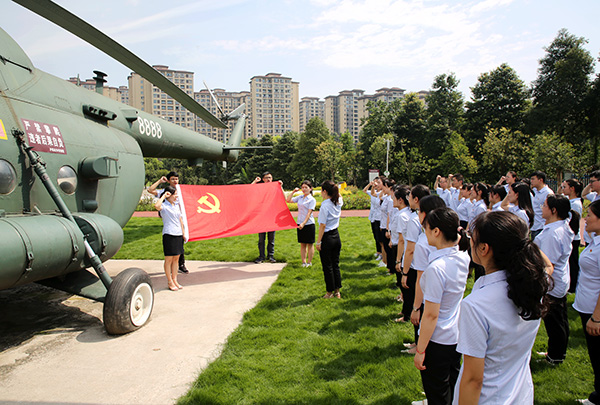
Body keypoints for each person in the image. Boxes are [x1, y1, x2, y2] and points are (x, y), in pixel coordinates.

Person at [453, 211, 550, 404]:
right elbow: (547, 266)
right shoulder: (534, 284)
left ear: (484, 248)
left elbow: (473, 379)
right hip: (520, 395)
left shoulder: (476, 305)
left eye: (472, 238)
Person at [413, 207, 470, 404]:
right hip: (455, 335)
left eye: (426, 228)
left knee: (437, 392)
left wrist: (420, 350)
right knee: (450, 385)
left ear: (436, 232)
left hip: (438, 339)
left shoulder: (438, 268)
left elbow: (430, 315)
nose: (425, 233)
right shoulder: (463, 256)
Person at [533, 194, 574, 364]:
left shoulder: (553, 234)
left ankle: (556, 356)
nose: (542, 208)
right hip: (560, 281)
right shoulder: (561, 227)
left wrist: (539, 288)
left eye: (544, 205)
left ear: (553, 210)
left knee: (555, 322)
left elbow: (549, 265)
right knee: (560, 319)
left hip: (552, 284)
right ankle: (557, 352)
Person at [575, 200, 600, 405]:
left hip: (595, 311)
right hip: (587, 306)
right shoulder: (596, 240)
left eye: (590, 215)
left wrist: (597, 317)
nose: (586, 218)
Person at [400, 185, 430, 349]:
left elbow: (410, 249)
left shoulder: (414, 220)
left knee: (417, 305)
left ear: (416, 199)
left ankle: (418, 343)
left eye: (410, 197)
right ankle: (417, 342)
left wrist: (404, 271)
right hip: (423, 266)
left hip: (415, 266)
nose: (408, 200)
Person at [148, 171, 189, 274]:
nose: (175, 181)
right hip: (170, 222)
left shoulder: (181, 191)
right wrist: (159, 181)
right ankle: (174, 266)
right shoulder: (164, 192)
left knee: (180, 245)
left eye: (176, 179)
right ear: (169, 180)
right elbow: (150, 190)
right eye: (173, 179)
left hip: (180, 219)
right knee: (172, 248)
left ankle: (181, 264)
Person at [154, 186, 187, 291]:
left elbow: (180, 220)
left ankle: (175, 279)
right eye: (175, 194)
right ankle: (169, 281)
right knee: (169, 259)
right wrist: (163, 196)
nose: (176, 196)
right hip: (169, 234)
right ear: (169, 195)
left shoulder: (176, 205)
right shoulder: (164, 206)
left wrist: (183, 233)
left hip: (178, 234)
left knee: (176, 259)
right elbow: (156, 206)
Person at [316, 181, 343, 299]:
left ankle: (329, 292)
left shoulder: (325, 205)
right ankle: (337, 291)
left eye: (322, 191)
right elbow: (340, 196)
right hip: (336, 236)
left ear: (325, 192)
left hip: (327, 237)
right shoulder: (338, 201)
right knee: (335, 264)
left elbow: (322, 225)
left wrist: (318, 241)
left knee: (327, 266)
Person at [287, 180, 317, 267]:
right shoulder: (300, 197)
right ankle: (303, 262)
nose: (304, 189)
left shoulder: (312, 200)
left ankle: (309, 262)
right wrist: (293, 191)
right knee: (302, 244)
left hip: (308, 224)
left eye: (306, 187)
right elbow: (288, 200)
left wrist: (303, 223)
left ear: (310, 189)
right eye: (302, 187)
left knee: (310, 244)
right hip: (299, 222)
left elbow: (309, 213)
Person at [252, 172, 280, 263]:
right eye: (266, 177)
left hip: (272, 217)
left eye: (270, 177)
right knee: (261, 239)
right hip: (262, 217)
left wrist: (281, 186)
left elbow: (284, 198)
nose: (268, 179)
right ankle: (261, 256)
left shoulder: (275, 188)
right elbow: (249, 190)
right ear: (263, 179)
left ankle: (270, 256)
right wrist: (255, 181)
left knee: (271, 239)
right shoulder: (260, 188)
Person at [562, 178, 583, 293]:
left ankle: (574, 286)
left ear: (572, 189)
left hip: (573, 238)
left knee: (573, 264)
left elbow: (574, 223)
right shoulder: (569, 201)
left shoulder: (575, 204)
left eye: (565, 187)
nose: (563, 189)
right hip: (569, 237)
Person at [530, 170, 554, 239]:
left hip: (541, 227)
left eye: (533, 179)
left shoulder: (548, 193)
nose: (531, 181)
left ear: (540, 180)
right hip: (534, 226)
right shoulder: (535, 191)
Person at [364, 177, 383, 261]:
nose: (376, 184)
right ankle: (378, 252)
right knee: (375, 236)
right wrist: (370, 185)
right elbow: (364, 191)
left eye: (378, 183)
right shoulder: (373, 192)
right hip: (373, 217)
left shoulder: (381, 194)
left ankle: (382, 254)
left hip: (379, 217)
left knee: (380, 237)